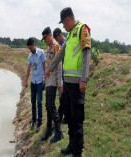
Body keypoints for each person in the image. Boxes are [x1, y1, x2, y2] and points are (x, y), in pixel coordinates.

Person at [46, 7, 91, 157]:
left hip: (78, 84)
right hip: (68, 84)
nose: (63, 27)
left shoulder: (82, 30)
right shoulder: (70, 34)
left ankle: (78, 152)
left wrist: (84, 79)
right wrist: (50, 68)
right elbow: (61, 53)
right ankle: (72, 145)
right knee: (70, 118)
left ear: (68, 20)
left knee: (77, 120)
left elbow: (86, 54)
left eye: (63, 24)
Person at [40, 27, 64, 143]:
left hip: (54, 81)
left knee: (51, 105)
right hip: (48, 81)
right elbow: (48, 66)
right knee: (48, 106)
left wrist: (60, 83)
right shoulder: (49, 48)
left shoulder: (56, 46)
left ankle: (59, 131)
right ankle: (49, 129)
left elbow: (59, 66)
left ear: (50, 35)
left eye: (45, 38)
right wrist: (44, 81)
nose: (44, 41)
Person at [24, 37, 46, 132]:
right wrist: (26, 80)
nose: (30, 50)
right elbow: (29, 68)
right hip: (33, 82)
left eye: (31, 48)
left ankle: (39, 122)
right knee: (33, 101)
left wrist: (45, 78)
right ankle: (33, 120)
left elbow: (45, 65)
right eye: (29, 48)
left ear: (34, 45)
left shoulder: (41, 53)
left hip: (40, 81)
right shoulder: (30, 57)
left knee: (39, 102)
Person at [53, 28, 67, 123]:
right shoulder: (58, 45)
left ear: (59, 35)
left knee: (63, 98)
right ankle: (65, 117)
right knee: (63, 97)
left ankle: (60, 118)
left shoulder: (66, 43)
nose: (56, 40)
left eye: (56, 38)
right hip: (61, 73)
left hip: (67, 73)